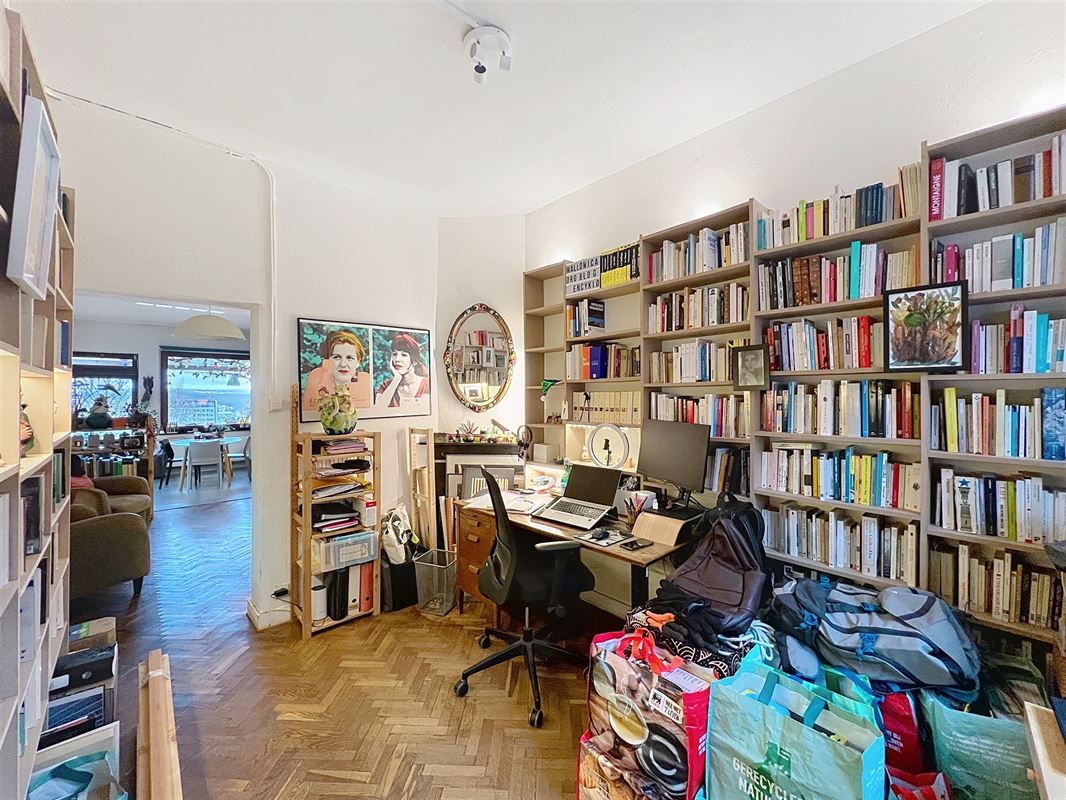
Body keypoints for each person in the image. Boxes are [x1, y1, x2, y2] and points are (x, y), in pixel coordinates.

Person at [301, 329, 372, 415]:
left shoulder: (364, 380)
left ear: (358, 361)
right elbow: (308, 412)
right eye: (337, 357)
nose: (343, 364)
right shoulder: (317, 376)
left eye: (349, 358)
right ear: (327, 360)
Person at [375, 333, 430, 410]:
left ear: (414, 361)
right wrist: (396, 379)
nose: (397, 359)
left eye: (404, 355)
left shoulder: (427, 385)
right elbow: (378, 410)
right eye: (394, 354)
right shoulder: (386, 386)